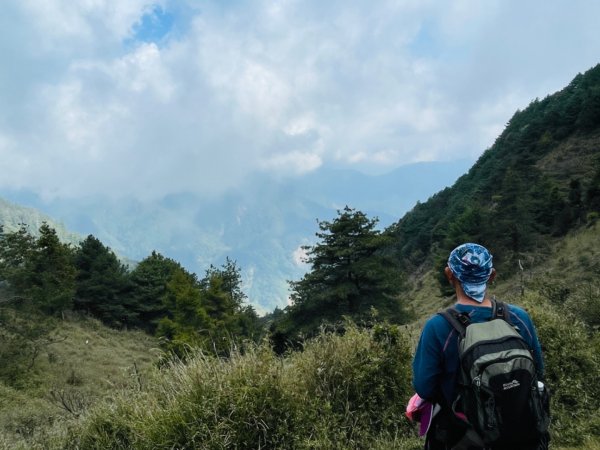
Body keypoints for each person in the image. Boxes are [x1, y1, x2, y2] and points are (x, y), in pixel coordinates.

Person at [412, 243, 546, 450]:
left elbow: (424, 388)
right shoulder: (519, 318)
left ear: (449, 274)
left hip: (465, 439)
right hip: (522, 436)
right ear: (491, 276)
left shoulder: (438, 327)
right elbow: (539, 373)